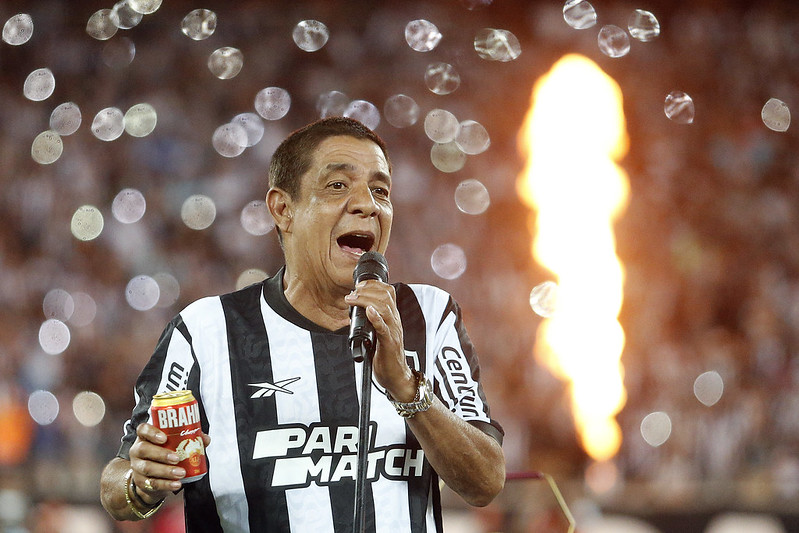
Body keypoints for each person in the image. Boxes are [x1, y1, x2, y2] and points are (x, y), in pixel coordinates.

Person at [100, 116, 505, 532]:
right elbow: (118, 482)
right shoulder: (205, 331)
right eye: (337, 186)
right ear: (283, 208)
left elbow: (485, 481)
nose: (367, 203)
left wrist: (405, 386)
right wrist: (141, 482)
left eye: (380, 190)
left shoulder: (428, 313)